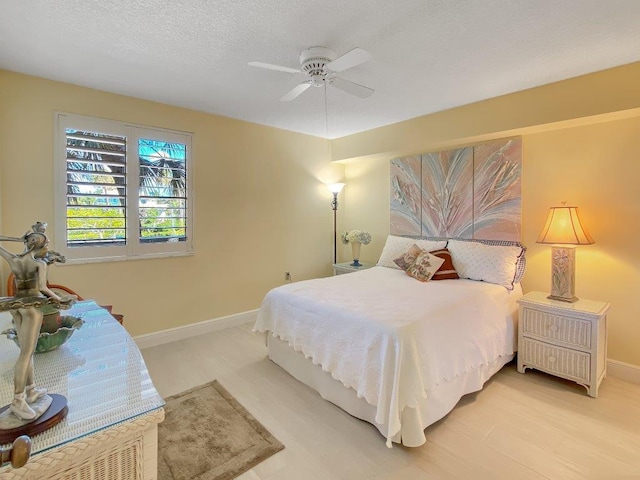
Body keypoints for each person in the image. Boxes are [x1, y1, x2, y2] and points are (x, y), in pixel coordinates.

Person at [0, 222, 75, 420]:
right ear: (39, 246)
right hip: (32, 307)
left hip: (16, 306)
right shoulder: (38, 263)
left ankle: (31, 390)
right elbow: (43, 288)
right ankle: (17, 400)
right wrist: (59, 300)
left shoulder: (14, 260)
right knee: (26, 353)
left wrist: (19, 239)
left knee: (27, 351)